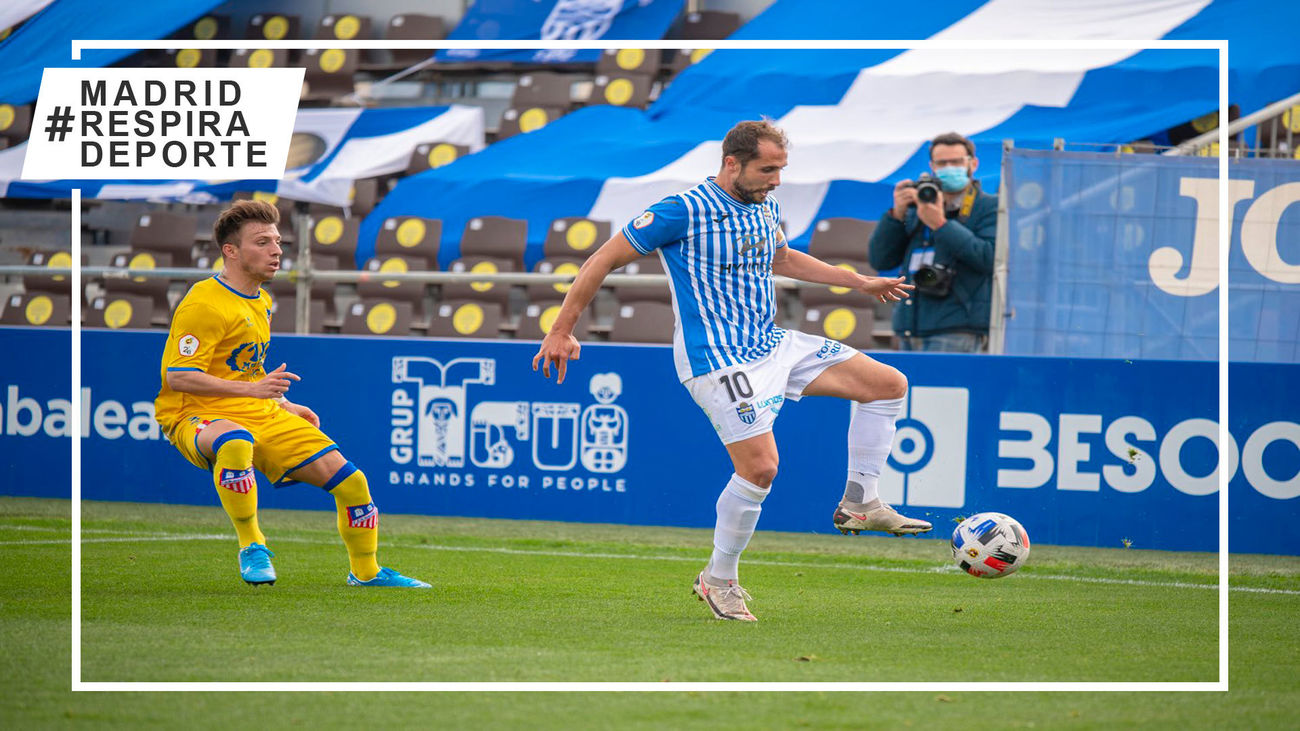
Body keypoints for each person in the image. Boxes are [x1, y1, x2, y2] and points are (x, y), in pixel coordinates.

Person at [532, 120, 931, 622]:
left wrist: (860, 282)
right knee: (761, 468)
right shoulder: (683, 210)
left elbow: (782, 258)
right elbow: (601, 261)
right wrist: (561, 330)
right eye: (768, 169)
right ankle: (718, 579)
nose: (777, 180)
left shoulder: (766, 207)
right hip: (717, 358)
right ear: (731, 164)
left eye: (781, 169)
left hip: (772, 343)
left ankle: (861, 501)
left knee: (887, 385)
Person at [154, 200, 428, 588]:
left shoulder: (261, 299)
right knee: (234, 441)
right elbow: (179, 376)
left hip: (257, 409)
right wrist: (254, 390)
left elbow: (244, 364)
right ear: (230, 251)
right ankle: (253, 546)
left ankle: (366, 573)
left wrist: (283, 403)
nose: (277, 250)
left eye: (278, 241)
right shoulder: (204, 304)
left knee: (353, 483)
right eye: (263, 241)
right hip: (194, 413)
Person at [868, 131, 997, 352]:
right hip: (909, 325)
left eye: (956, 162)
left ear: (972, 164)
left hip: (958, 327)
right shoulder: (917, 208)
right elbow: (880, 260)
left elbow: (989, 258)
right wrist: (896, 216)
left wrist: (940, 224)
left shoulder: (990, 207)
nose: (949, 168)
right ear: (932, 167)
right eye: (942, 163)